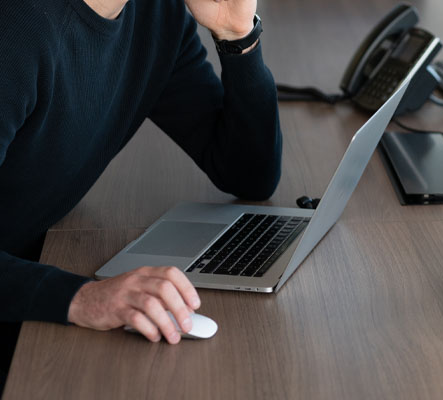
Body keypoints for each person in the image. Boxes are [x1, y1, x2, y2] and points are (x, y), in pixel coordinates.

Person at [0, 0, 279, 389]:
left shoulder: (156, 15)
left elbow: (248, 174)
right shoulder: (17, 27)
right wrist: (81, 299)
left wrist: (238, 36)